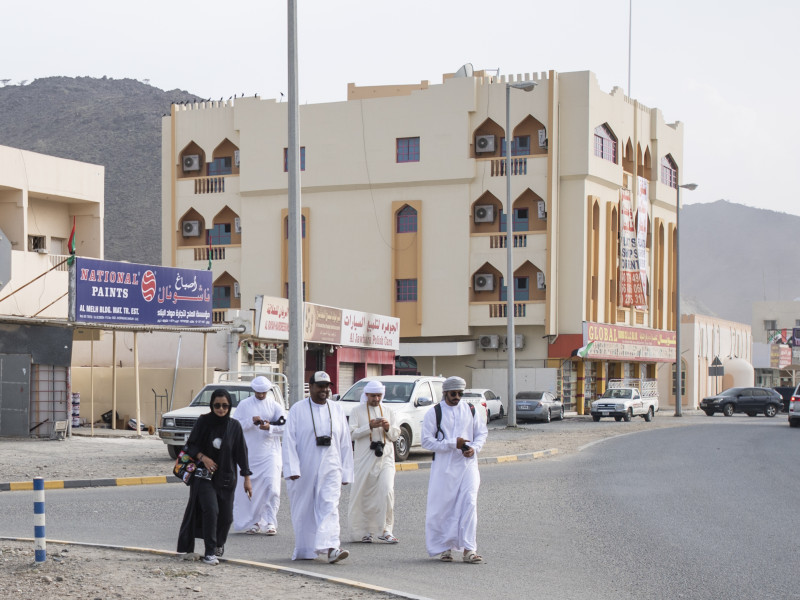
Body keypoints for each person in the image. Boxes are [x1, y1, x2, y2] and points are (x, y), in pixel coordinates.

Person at [282, 371, 354, 563]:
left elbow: (345, 441)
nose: (324, 390)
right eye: (320, 386)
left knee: (330, 505)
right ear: (311, 387)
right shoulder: (298, 410)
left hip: (332, 465)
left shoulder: (337, 409)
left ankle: (332, 548)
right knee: (304, 508)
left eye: (327, 386)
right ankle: (306, 549)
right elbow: (288, 441)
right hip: (304, 467)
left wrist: (346, 472)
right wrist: (292, 469)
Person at [177, 388, 252, 565]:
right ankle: (209, 552)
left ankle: (219, 543)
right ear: (212, 405)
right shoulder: (204, 422)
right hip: (204, 476)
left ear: (230, 406)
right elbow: (191, 446)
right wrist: (204, 458)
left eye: (225, 406)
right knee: (211, 510)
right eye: (217, 405)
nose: (221, 409)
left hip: (226, 478)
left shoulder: (234, 426)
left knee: (226, 517)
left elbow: (242, 452)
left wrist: (247, 478)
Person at [421, 376, 488, 564]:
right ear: (445, 393)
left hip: (468, 465)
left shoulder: (471, 410)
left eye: (460, 393)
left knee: (469, 503)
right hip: (444, 468)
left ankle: (469, 549)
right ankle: (445, 547)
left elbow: (481, 432)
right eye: (453, 393)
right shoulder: (434, 413)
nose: (457, 397)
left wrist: (474, 448)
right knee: (445, 508)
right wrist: (452, 444)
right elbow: (426, 440)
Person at [347, 380, 400, 544]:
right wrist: (368, 427)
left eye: (378, 395)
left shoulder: (389, 411)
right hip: (364, 459)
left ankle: (386, 530)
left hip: (386, 458)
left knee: (387, 491)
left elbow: (395, 435)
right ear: (366, 395)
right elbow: (351, 434)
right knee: (364, 494)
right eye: (372, 396)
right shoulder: (357, 411)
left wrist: (387, 427)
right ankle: (364, 531)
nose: (376, 399)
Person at [232, 375, 286, 536]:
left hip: (270, 453)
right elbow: (235, 426)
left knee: (272, 487)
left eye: (264, 392)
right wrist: (250, 421)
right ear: (253, 390)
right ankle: (254, 522)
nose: (261, 395)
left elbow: (285, 426)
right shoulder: (244, 405)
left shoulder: (275, 406)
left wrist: (269, 427)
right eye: (258, 392)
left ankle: (270, 521)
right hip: (250, 454)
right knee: (252, 490)